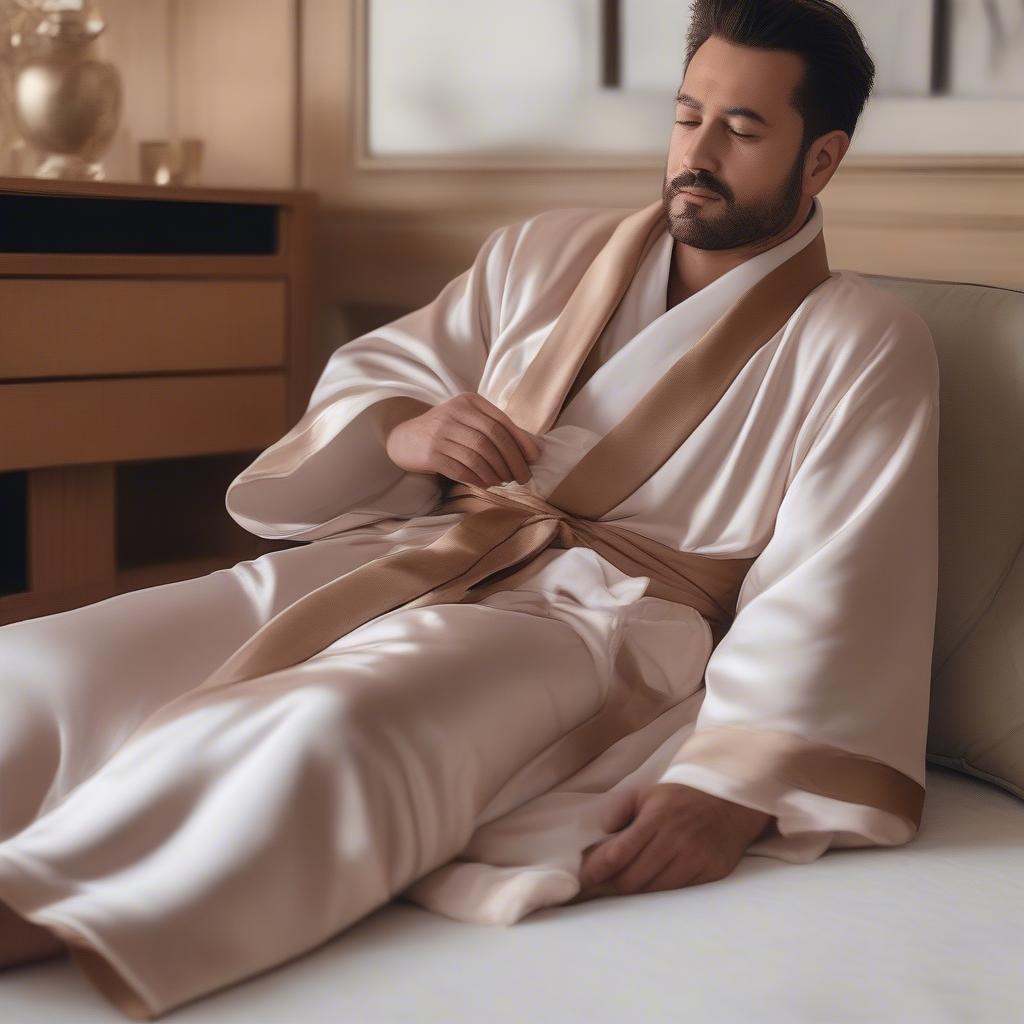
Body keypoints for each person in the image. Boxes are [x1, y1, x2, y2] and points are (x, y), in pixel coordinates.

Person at [0, 0, 940, 1019]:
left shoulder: (861, 341)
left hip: (599, 620)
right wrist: (407, 431)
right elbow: (389, 375)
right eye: (686, 115)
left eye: (742, 129)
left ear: (821, 158)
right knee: (51, 664)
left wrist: (727, 781)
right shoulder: (543, 254)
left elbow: (839, 576)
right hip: (421, 544)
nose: (695, 152)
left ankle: (50, 907)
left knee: (332, 721)